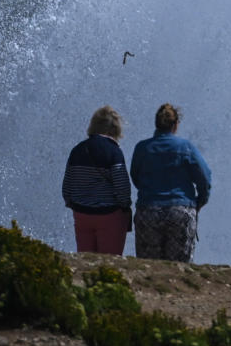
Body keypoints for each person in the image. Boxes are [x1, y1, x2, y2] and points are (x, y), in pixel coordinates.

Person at [130, 103, 212, 261]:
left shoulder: (142, 148)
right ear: (175, 125)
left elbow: (135, 176)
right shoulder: (185, 147)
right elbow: (204, 177)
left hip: (149, 211)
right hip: (180, 211)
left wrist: (150, 191)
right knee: (179, 269)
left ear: (156, 123)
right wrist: (199, 202)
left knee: (150, 267)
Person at [62, 105, 133, 254]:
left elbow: (67, 185)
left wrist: (72, 203)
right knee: (109, 262)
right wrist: (124, 206)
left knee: (86, 260)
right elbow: (122, 187)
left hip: (82, 214)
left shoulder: (77, 150)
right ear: (114, 128)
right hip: (109, 215)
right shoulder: (114, 151)